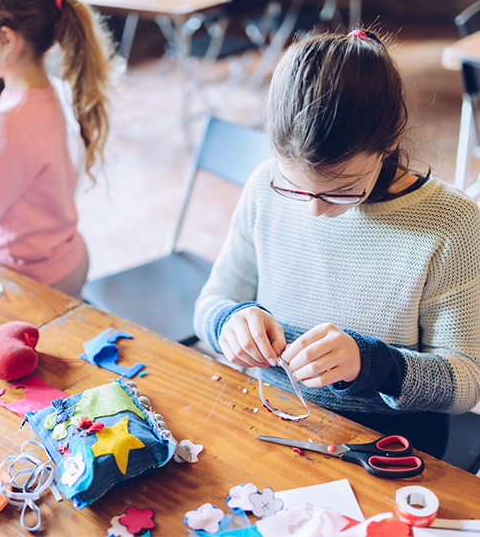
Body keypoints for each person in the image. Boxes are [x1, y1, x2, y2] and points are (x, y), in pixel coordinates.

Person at [194, 29, 480, 459]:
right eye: (294, 187)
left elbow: (463, 383)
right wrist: (228, 323)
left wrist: (372, 366)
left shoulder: (452, 224)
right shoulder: (263, 186)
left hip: (385, 443)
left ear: (392, 137)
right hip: (274, 416)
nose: (313, 211)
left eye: (341, 190)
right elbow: (211, 303)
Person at [0, 0, 117, 298]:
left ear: (6, 38)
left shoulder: (9, 123)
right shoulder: (39, 93)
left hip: (36, 281)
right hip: (64, 258)